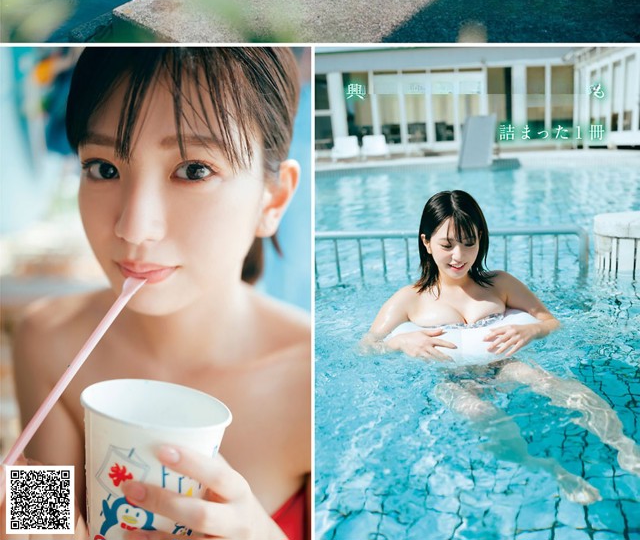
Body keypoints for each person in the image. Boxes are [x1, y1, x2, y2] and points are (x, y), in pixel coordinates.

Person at [11, 47, 310, 540]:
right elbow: (41, 526)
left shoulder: (308, 382)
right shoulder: (47, 342)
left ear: (273, 198)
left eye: (194, 170)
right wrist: (27, 526)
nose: (134, 227)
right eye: (103, 168)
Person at [362, 190, 639, 504]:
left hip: (503, 366)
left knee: (551, 382)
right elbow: (366, 347)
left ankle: (624, 447)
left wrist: (532, 331)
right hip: (450, 378)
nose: (459, 256)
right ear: (426, 242)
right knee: (479, 411)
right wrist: (400, 341)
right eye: (447, 245)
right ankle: (547, 468)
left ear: (480, 239)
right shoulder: (409, 299)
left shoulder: (500, 283)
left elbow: (550, 320)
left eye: (469, 243)